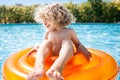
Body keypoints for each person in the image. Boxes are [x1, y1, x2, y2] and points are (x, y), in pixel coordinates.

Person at [27, 3, 91, 80]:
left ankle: (56, 69)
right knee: (46, 42)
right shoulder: (48, 33)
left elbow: (78, 44)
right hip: (51, 56)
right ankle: (38, 69)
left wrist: (83, 49)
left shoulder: (69, 31)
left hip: (66, 59)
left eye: (47, 19)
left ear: (57, 17)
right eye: (43, 20)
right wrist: (37, 48)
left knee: (67, 42)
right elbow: (44, 48)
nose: (44, 23)